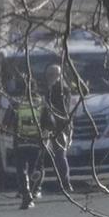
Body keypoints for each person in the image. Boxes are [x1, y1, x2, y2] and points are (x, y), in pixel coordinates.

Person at [7, 86, 45, 209]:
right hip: (36, 142)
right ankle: (34, 191)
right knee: (35, 169)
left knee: (21, 170)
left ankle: (26, 194)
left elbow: (6, 122)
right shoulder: (41, 105)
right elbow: (51, 123)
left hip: (20, 142)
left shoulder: (16, 105)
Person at [42, 63, 72, 192]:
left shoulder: (62, 90)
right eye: (49, 75)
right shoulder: (48, 89)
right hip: (50, 125)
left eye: (53, 75)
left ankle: (65, 183)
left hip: (60, 126)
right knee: (45, 156)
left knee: (60, 155)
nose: (50, 77)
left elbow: (61, 109)